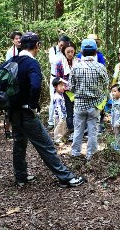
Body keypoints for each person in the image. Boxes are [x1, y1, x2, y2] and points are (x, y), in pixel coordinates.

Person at [9, 32, 84, 188]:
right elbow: (36, 85)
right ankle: (65, 177)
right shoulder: (31, 63)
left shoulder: (12, 60)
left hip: (13, 111)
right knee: (46, 144)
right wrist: (32, 104)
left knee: (19, 143)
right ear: (37, 45)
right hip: (26, 112)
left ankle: (20, 176)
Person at [69, 38, 109, 161]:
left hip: (80, 105)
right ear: (96, 51)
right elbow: (106, 85)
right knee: (93, 131)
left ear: (81, 51)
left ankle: (75, 153)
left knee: (78, 130)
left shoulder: (76, 67)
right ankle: (91, 154)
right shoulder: (100, 67)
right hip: (95, 105)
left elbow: (71, 87)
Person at [55, 42, 78, 140]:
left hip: (77, 91)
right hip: (66, 92)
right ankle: (71, 131)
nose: (70, 54)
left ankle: (79, 131)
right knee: (69, 112)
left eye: (72, 51)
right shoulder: (60, 63)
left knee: (78, 112)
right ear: (64, 52)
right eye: (68, 52)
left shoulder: (79, 61)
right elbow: (58, 78)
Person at [47, 35, 70, 130]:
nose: (62, 47)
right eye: (61, 45)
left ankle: (62, 120)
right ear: (58, 42)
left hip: (63, 78)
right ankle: (51, 122)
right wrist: (61, 55)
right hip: (55, 78)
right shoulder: (53, 50)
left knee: (63, 100)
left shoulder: (65, 51)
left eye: (64, 45)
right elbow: (52, 61)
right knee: (54, 99)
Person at [52, 77, 68, 144]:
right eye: (61, 85)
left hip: (63, 116)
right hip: (59, 116)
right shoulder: (57, 97)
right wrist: (61, 116)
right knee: (58, 128)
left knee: (63, 128)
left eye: (64, 85)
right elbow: (58, 107)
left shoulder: (60, 95)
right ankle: (57, 140)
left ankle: (62, 138)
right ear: (55, 87)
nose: (63, 87)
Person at [110, 84, 120, 151]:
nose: (113, 93)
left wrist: (118, 122)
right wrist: (112, 121)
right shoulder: (114, 100)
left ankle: (118, 147)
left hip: (118, 122)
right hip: (115, 120)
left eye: (114, 91)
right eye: (112, 91)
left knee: (118, 134)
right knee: (116, 133)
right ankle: (117, 143)